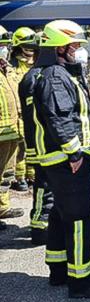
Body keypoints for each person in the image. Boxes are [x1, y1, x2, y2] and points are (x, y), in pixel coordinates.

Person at [33, 20, 90, 298]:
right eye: (76, 45)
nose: (80, 51)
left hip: (61, 162)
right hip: (69, 162)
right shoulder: (56, 76)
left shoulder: (59, 73)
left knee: (60, 214)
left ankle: (59, 271)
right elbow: (59, 117)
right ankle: (83, 281)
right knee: (81, 218)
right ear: (60, 48)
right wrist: (74, 152)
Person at [18, 30, 54, 245]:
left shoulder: (35, 75)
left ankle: (45, 224)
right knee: (44, 187)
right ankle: (40, 228)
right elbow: (37, 118)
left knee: (46, 186)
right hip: (41, 144)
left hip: (39, 142)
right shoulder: (35, 78)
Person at [0, 25, 24, 225]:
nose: (5, 49)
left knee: (6, 174)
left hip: (11, 131)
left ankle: (2, 208)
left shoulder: (8, 71)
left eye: (6, 46)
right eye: (1, 45)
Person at [9, 27, 38, 192]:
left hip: (33, 110)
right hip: (20, 112)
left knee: (32, 146)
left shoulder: (36, 61)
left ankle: (32, 176)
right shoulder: (13, 64)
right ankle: (20, 179)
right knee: (21, 149)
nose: (30, 50)